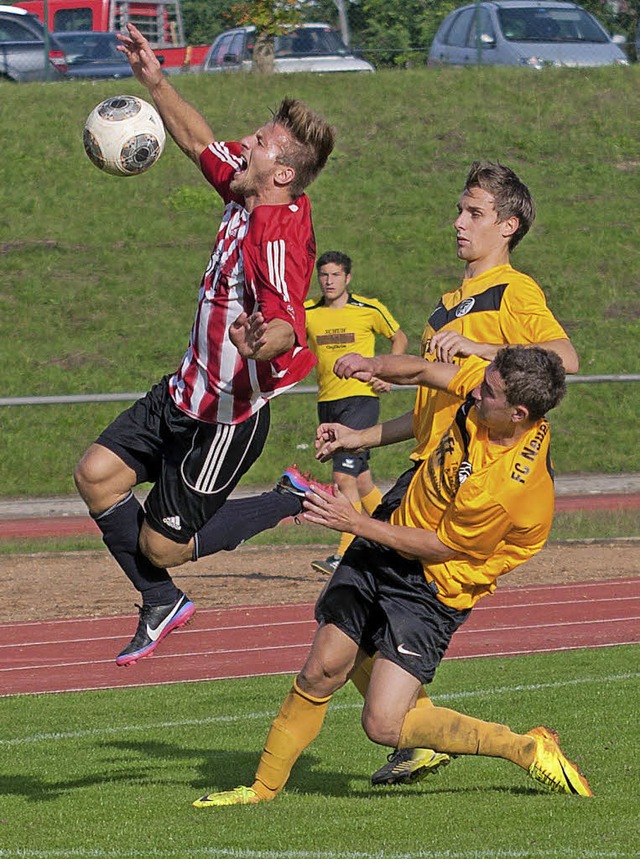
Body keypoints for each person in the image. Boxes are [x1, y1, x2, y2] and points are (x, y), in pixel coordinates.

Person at [192, 345, 593, 807]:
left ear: (518, 413)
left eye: (487, 391)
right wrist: (372, 369)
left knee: (382, 725)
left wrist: (354, 522)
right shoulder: (496, 395)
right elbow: (425, 371)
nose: (475, 390)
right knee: (323, 667)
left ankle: (523, 747)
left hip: (436, 582)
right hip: (392, 528)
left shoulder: (507, 488)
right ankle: (260, 790)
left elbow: (444, 546)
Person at [74, 22, 335, 668]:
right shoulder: (248, 189)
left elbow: (288, 323)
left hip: (228, 418)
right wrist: (154, 80)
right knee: (96, 475)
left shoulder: (275, 231)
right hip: (183, 391)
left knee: (161, 544)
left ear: (284, 171)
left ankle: (284, 500)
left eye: (263, 142)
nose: (247, 142)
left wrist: (261, 340)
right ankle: (161, 603)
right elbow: (196, 141)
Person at [339, 160, 580, 787]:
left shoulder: (514, 291)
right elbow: (432, 410)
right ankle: (413, 733)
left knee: (350, 623)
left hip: (463, 491)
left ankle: (434, 732)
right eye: (460, 209)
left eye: (473, 212)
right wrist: (365, 433)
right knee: (342, 621)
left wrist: (481, 350)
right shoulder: (448, 305)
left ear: (508, 225)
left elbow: (565, 358)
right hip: (427, 470)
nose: (458, 222)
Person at [305, 250, 408, 575]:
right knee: (362, 482)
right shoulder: (308, 312)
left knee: (343, 476)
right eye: (324, 275)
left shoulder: (367, 309)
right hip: (328, 402)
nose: (329, 280)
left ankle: (345, 553)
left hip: (360, 400)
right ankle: (395, 539)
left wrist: (386, 373)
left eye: (335, 275)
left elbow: (398, 336)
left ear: (347, 278)